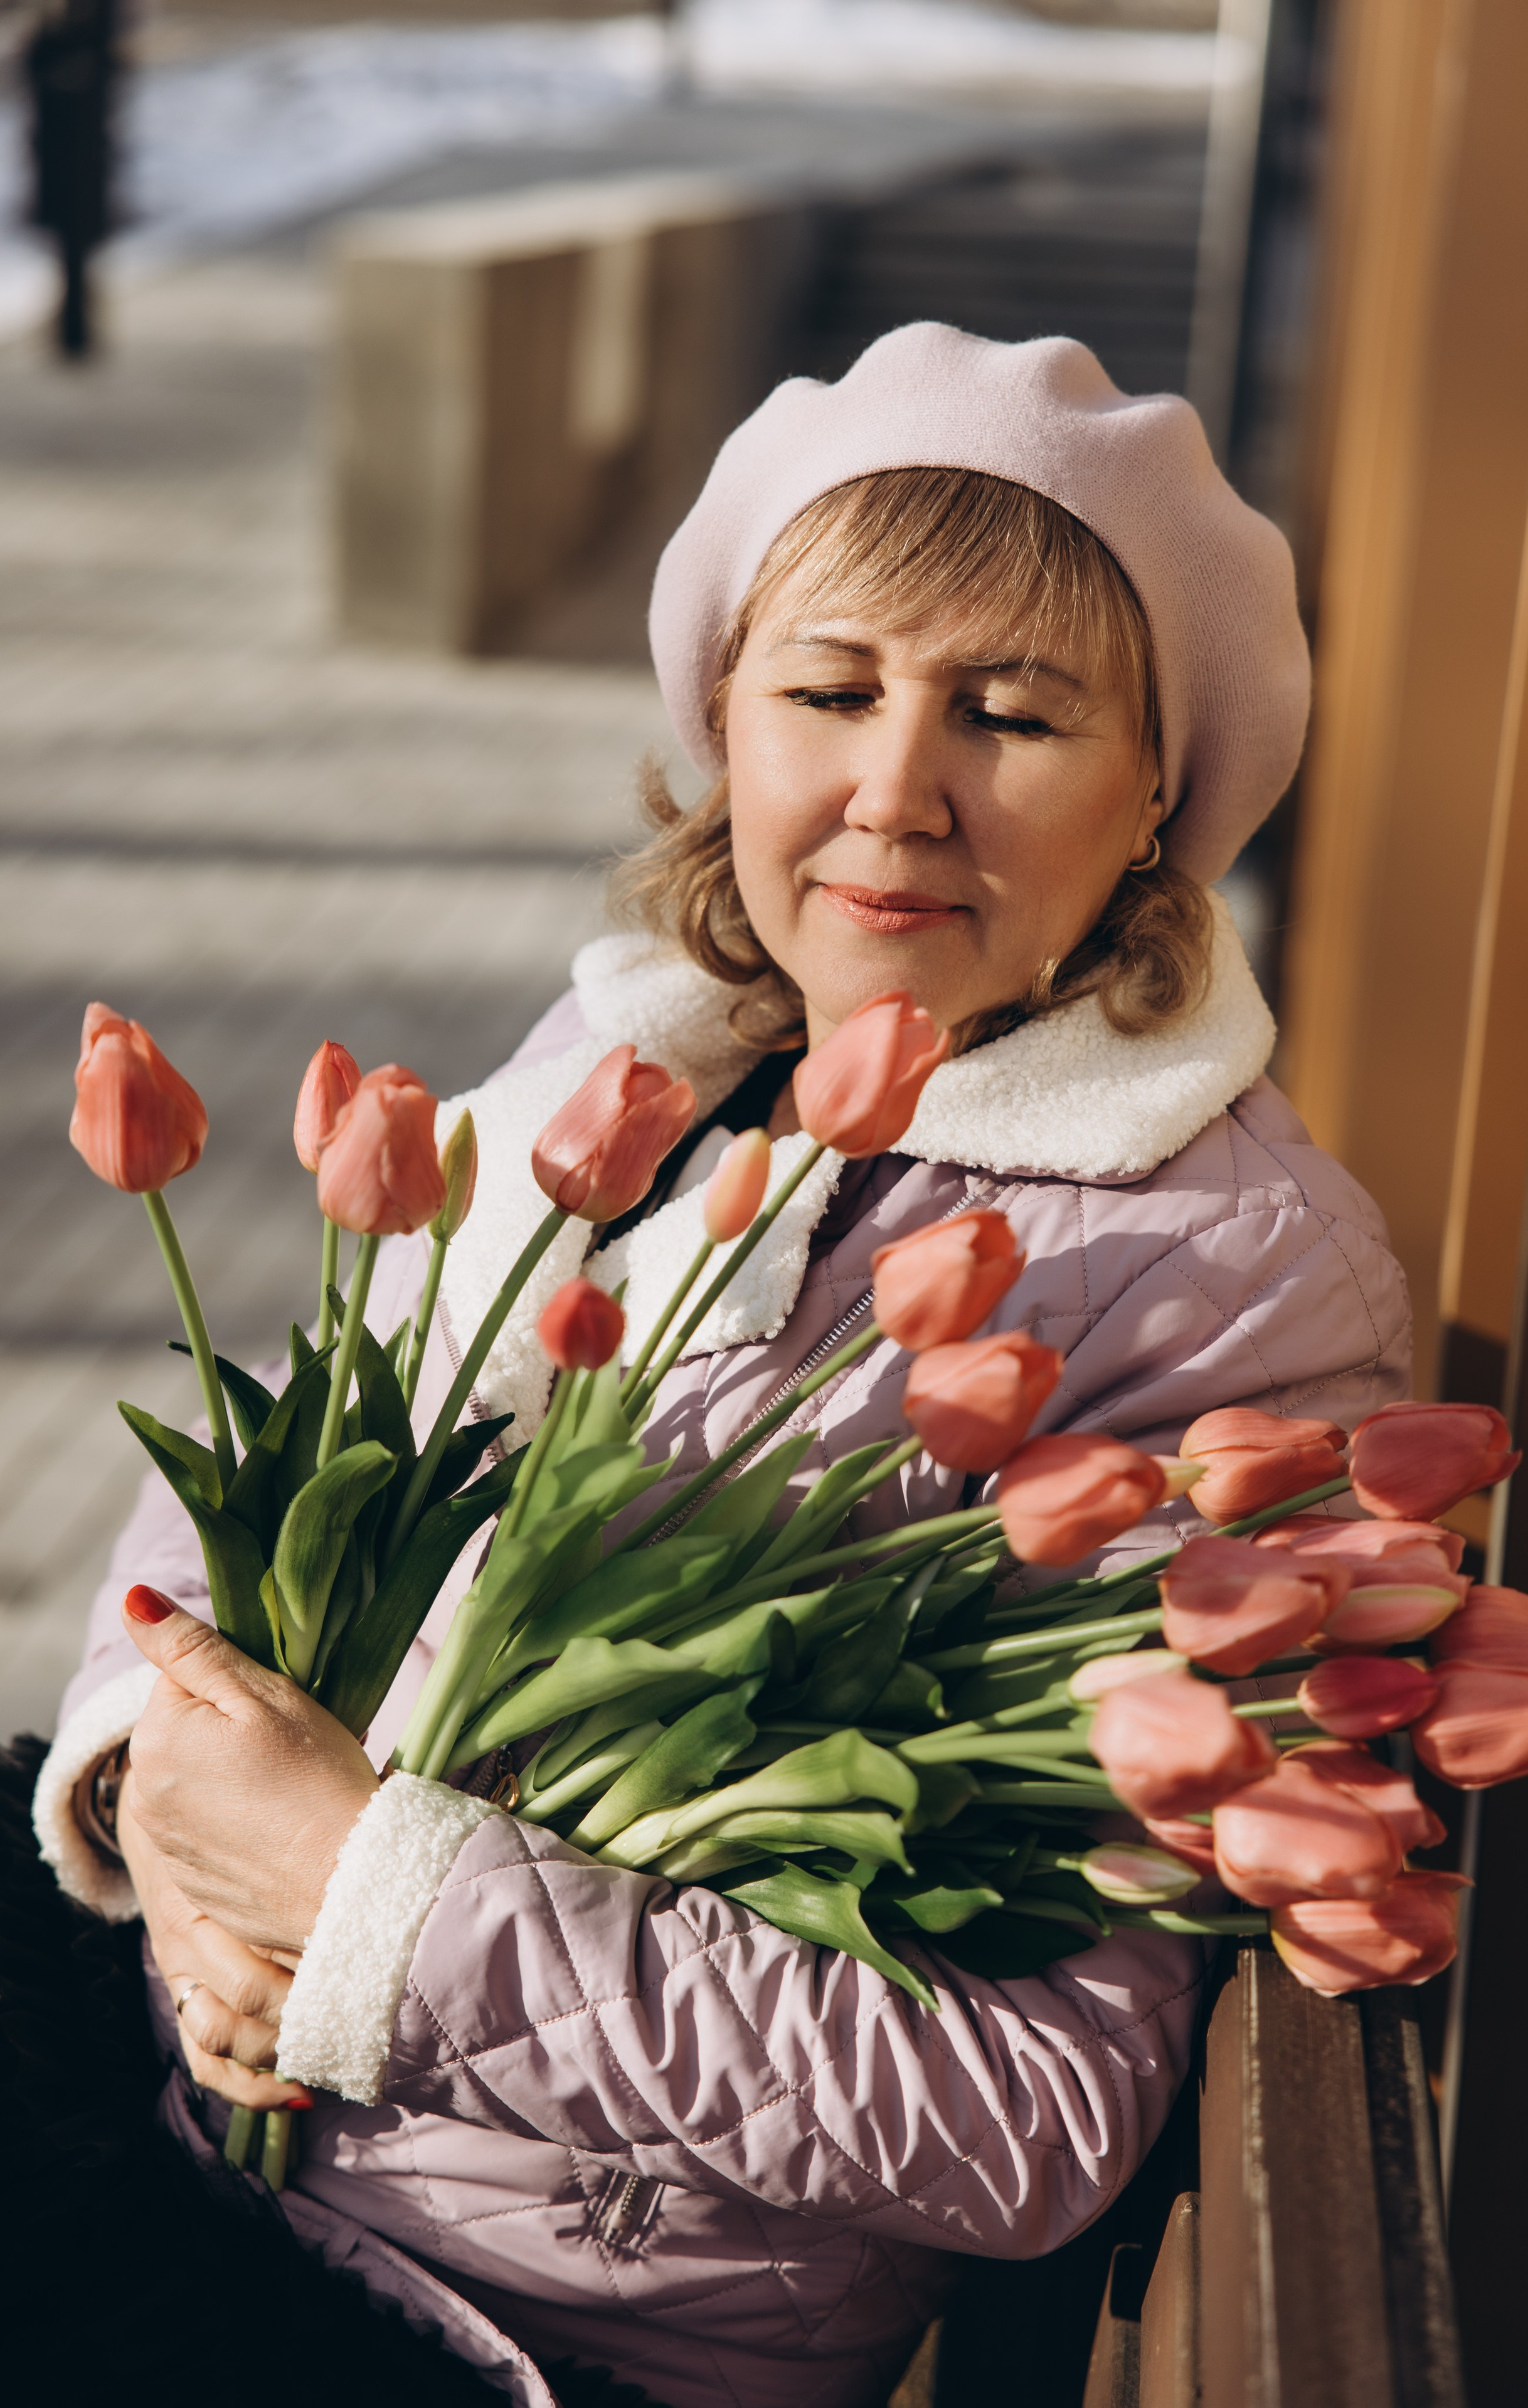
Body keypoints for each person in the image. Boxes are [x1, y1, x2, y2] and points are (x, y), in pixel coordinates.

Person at [32, 325, 1409, 2408]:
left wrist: (358, 1900)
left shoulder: (1231, 1297)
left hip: (532, 2334)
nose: (894, 790)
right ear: (725, 728)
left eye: (1013, 715)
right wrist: (172, 1850)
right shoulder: (627, 1065)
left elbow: (1022, 2115)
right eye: (831, 691)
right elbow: (262, 1493)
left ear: (1160, 796)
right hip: (191, 2121)